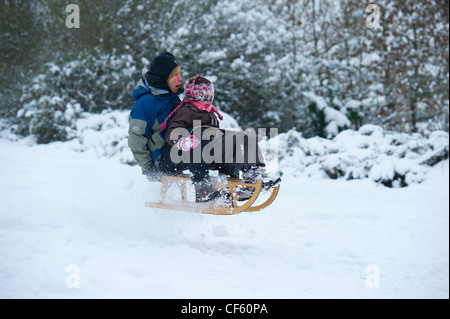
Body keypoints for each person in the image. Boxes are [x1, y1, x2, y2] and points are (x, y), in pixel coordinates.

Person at [158, 75, 280, 203]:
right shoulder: (185, 111)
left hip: (205, 156)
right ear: (193, 96)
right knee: (197, 134)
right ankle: (201, 187)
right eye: (203, 97)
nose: (208, 100)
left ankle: (252, 175)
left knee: (243, 137)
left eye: (210, 96)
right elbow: (172, 131)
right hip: (179, 156)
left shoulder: (211, 115)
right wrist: (181, 140)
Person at [128, 52, 183, 180]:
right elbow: (136, 139)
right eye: (175, 75)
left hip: (176, 152)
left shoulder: (172, 99)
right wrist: (149, 169)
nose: (180, 79)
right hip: (162, 160)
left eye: (180, 74)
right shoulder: (147, 102)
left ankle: (223, 182)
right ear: (164, 77)